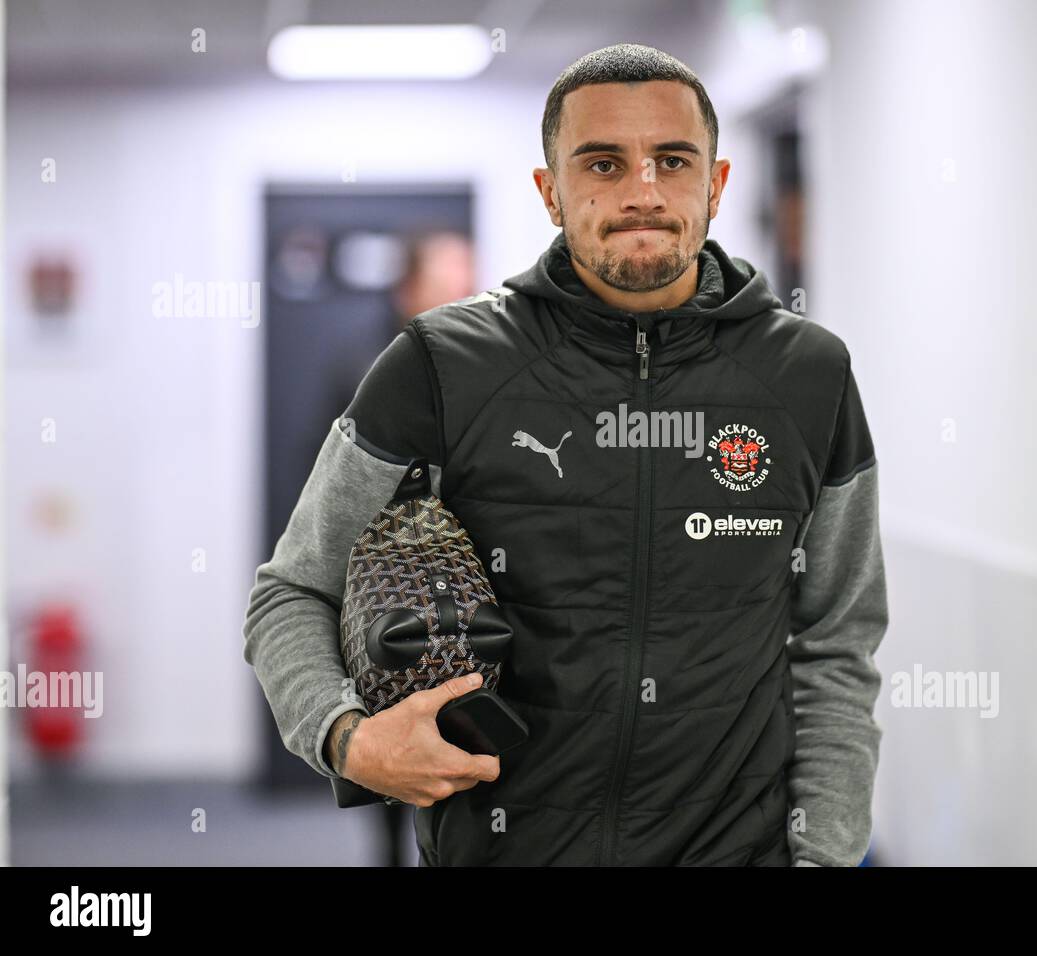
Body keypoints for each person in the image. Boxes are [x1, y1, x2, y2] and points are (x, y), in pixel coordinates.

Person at [242, 42, 888, 867]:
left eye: (672, 160)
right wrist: (346, 740)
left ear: (717, 185)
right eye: (603, 163)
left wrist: (824, 856)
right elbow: (293, 591)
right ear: (551, 192)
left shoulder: (810, 377)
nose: (642, 191)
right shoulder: (441, 367)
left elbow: (836, 639)